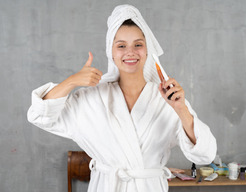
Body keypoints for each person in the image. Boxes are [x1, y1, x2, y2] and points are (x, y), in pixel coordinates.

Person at [27, 4, 217, 192]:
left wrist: (181, 109)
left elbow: (204, 154)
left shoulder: (168, 99)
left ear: (147, 49)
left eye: (138, 44)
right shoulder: (91, 99)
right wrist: (70, 82)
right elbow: (40, 115)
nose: (130, 52)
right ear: (111, 51)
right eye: (121, 45)